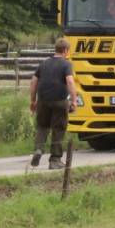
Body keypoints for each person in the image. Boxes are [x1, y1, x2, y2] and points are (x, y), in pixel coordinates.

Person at [30, 39, 78, 169]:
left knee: (42, 126)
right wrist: (74, 100)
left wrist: (33, 100)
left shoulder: (44, 63)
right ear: (65, 50)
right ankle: (55, 160)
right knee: (58, 129)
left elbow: (33, 82)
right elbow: (70, 81)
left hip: (43, 101)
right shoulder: (66, 64)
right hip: (60, 101)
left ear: (55, 49)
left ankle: (38, 149)